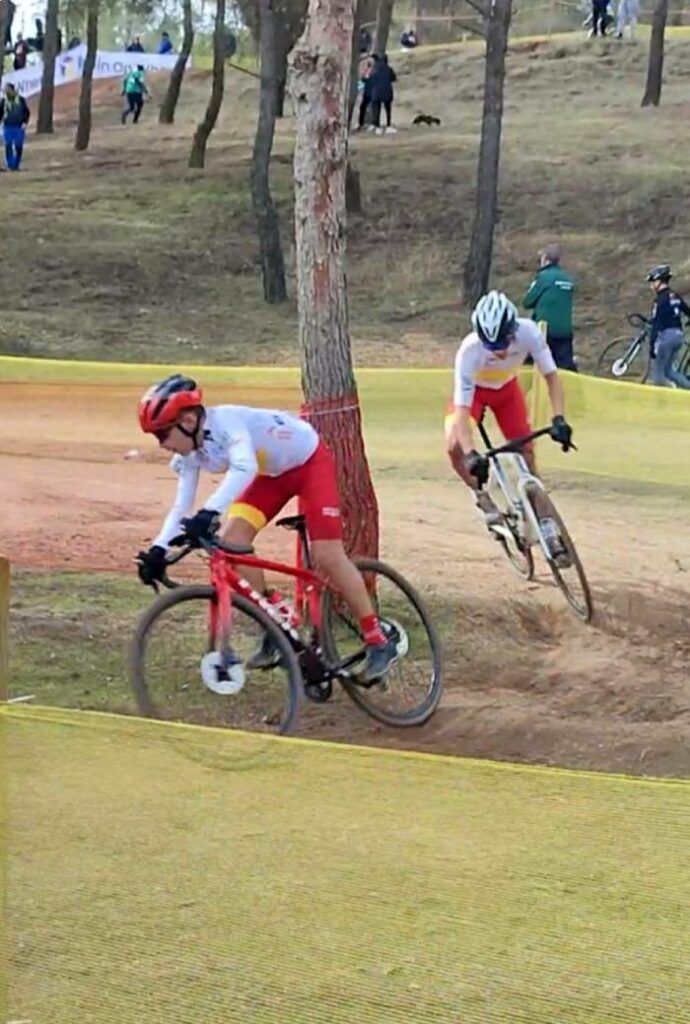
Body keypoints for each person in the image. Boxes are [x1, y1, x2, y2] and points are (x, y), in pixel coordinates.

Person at [135, 375, 400, 683]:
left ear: (189, 420)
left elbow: (244, 467)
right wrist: (157, 550)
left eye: (162, 434)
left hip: (310, 464)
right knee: (231, 542)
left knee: (327, 555)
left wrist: (209, 513)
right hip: (273, 476)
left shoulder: (227, 423)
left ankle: (377, 639)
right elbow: (181, 506)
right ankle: (276, 619)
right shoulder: (190, 452)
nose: (161, 444)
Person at [445, 291, 573, 562]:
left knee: (527, 456)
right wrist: (470, 454)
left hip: (506, 392)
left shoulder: (528, 332)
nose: (500, 350)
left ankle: (547, 525)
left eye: (504, 341)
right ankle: (481, 495)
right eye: (491, 345)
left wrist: (559, 419)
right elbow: (462, 410)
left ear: (513, 329)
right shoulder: (469, 350)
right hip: (475, 395)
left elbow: (552, 377)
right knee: (454, 445)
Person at [523, 243, 577, 371]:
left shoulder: (543, 277)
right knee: (564, 369)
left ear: (545, 259)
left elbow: (527, 302)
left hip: (544, 331)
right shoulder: (567, 279)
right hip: (565, 331)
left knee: (532, 365)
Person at [647, 265, 690, 389]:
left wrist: (651, 345)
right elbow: (687, 310)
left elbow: (656, 325)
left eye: (652, 282)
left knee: (659, 373)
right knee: (669, 371)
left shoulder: (659, 300)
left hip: (667, 338)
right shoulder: (674, 296)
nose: (651, 286)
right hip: (678, 336)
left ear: (659, 282)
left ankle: (659, 402)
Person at [0, 83, 30, 171]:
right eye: (5, 90)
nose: (6, 91)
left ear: (12, 90)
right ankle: (10, 164)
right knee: (8, 145)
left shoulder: (20, 100)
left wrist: (25, 122)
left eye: (8, 89)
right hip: (8, 126)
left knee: (18, 146)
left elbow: (26, 112)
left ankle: (16, 164)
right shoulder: (3, 101)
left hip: (19, 126)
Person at [369, 54, 397, 135]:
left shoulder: (374, 70)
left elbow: (371, 80)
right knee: (388, 110)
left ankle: (377, 126)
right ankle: (388, 125)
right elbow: (394, 78)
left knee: (377, 110)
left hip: (376, 92)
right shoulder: (388, 69)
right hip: (387, 92)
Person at [357, 54, 375, 131]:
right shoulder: (367, 71)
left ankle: (364, 123)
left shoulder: (370, 72)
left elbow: (364, 81)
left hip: (368, 92)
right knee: (364, 107)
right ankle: (362, 123)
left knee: (365, 107)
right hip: (367, 91)